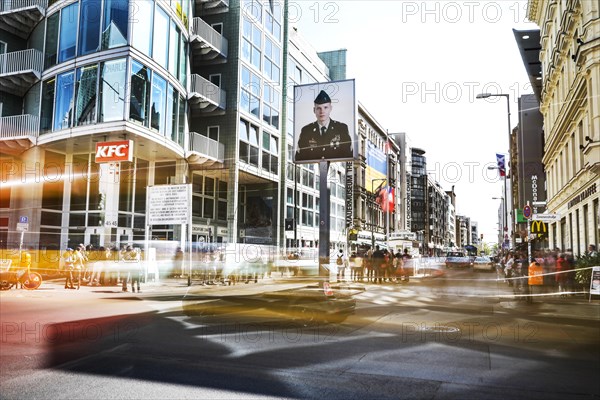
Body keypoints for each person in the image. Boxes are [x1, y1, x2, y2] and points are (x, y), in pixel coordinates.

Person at [295, 90, 352, 162]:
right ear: (314, 110)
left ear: (330, 108)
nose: (322, 111)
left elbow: (348, 155)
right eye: (319, 108)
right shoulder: (306, 131)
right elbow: (299, 157)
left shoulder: (341, 128)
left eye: (325, 107)